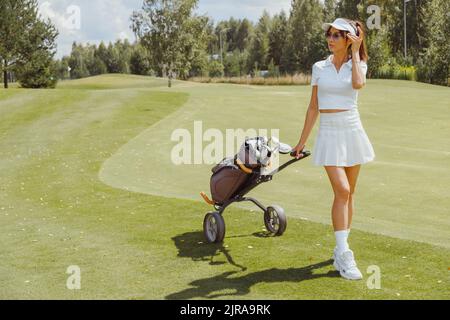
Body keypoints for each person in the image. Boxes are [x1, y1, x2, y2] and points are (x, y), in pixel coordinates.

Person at [292, 18, 376, 280]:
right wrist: (302, 141)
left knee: (349, 195)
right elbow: (313, 107)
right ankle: (344, 252)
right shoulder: (319, 67)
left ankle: (341, 251)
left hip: (352, 129)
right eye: (329, 34)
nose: (330, 39)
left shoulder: (358, 64)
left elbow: (358, 84)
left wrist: (354, 52)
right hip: (328, 132)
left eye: (338, 35)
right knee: (342, 190)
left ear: (349, 40)